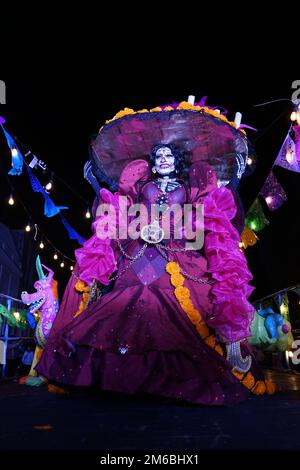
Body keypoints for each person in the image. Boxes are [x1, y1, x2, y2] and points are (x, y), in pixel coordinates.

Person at [37, 102, 275, 405]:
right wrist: (95, 182)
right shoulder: (141, 186)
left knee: (175, 299)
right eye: (158, 155)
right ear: (153, 161)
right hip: (139, 253)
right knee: (126, 297)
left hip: (178, 254)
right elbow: (119, 211)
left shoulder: (190, 189)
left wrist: (237, 176)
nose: (163, 158)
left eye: (168, 155)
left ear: (177, 161)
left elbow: (208, 214)